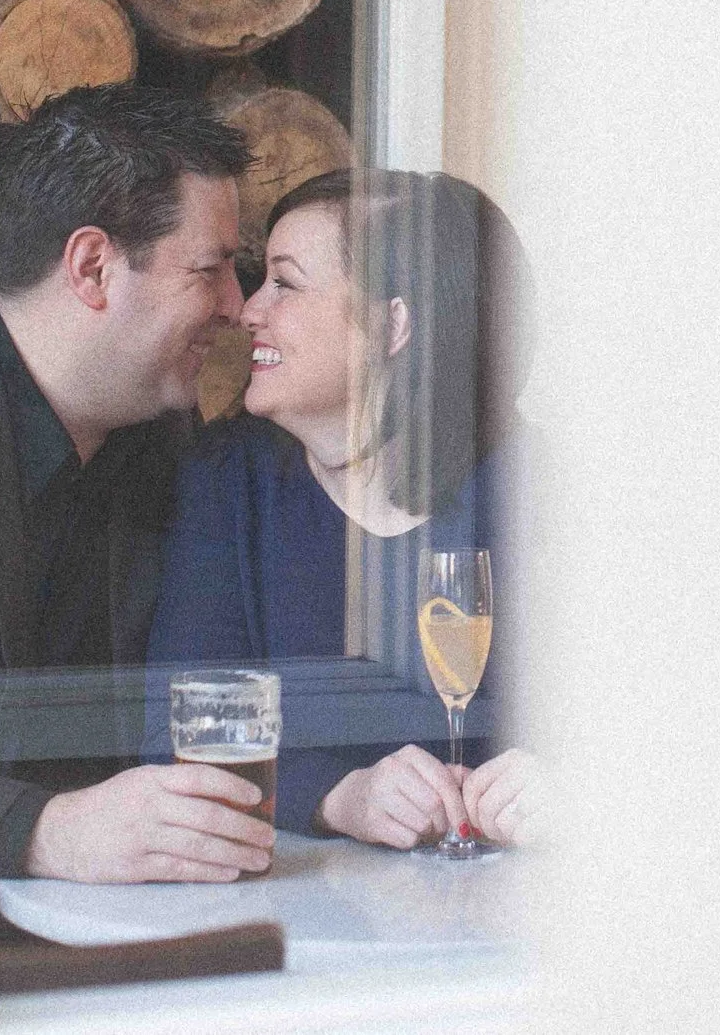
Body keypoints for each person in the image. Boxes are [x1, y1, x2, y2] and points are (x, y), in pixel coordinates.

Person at [0, 84, 280, 944]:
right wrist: (42, 830)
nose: (239, 307)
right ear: (92, 268)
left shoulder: (166, 442)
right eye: (211, 270)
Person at [148, 168, 542, 850]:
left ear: (393, 324)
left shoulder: (540, 491)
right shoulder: (227, 480)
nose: (248, 309)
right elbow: (171, 736)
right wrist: (338, 795)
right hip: (294, 914)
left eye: (286, 282)